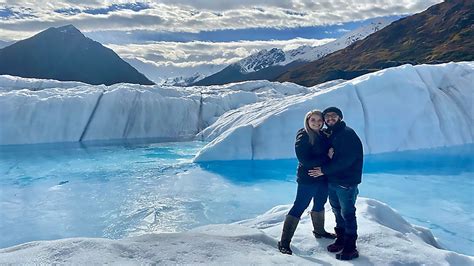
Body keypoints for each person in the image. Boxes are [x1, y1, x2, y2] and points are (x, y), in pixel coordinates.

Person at [278, 110, 336, 255]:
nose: (317, 123)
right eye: (313, 120)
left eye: (319, 120)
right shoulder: (303, 135)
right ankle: (284, 242)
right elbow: (305, 160)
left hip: (323, 177)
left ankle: (319, 231)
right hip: (308, 178)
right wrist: (326, 158)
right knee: (300, 206)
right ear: (307, 120)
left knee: (320, 203)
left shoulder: (323, 135)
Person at [309, 107, 363, 261]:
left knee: (348, 214)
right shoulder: (333, 133)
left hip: (346, 182)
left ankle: (351, 247)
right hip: (334, 180)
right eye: (327, 116)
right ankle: (341, 239)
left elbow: (347, 160)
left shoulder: (347, 134)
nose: (330, 119)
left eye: (334, 116)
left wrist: (323, 170)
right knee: (337, 211)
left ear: (339, 117)